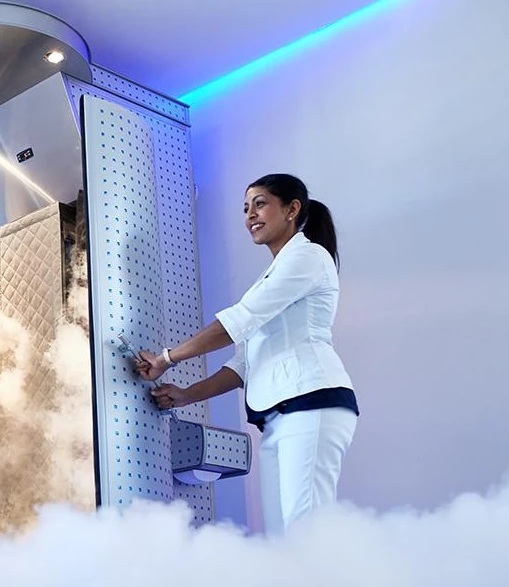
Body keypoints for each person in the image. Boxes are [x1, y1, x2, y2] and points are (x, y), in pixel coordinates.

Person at [138, 173, 359, 536]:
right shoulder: (273, 275)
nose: (250, 216)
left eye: (260, 204)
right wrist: (185, 396)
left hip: (312, 402)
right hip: (277, 417)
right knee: (280, 537)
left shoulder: (307, 257)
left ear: (292, 209)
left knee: (308, 532)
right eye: (245, 209)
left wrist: (166, 358)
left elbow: (236, 323)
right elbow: (244, 364)